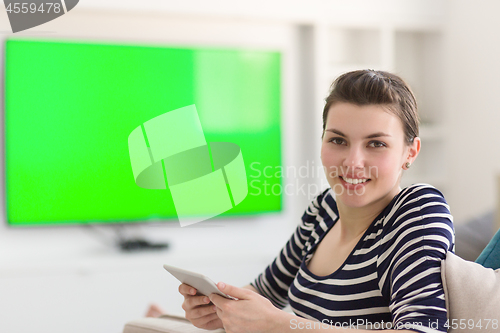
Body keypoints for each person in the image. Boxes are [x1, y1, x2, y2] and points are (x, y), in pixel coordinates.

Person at [175, 70, 455, 332]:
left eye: (376, 144)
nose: (352, 162)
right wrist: (217, 308)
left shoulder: (418, 210)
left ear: (411, 152)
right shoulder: (325, 209)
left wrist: (281, 325)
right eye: (338, 141)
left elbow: (423, 329)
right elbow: (263, 292)